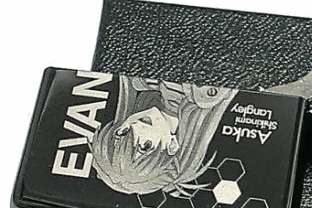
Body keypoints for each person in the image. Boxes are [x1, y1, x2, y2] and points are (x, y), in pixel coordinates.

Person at [90, 75, 236, 196]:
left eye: (122, 133)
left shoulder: (140, 82)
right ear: (172, 146)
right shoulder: (206, 96)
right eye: (145, 146)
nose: (136, 127)